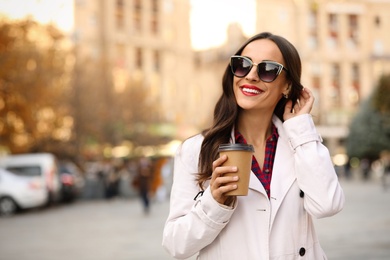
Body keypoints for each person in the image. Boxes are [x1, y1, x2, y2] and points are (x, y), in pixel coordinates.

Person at [162, 32, 345, 259]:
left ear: (287, 86)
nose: (250, 76)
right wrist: (215, 202)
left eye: (267, 69)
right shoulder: (196, 150)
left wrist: (301, 128)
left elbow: (327, 205)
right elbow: (175, 245)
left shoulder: (300, 144)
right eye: (242, 65)